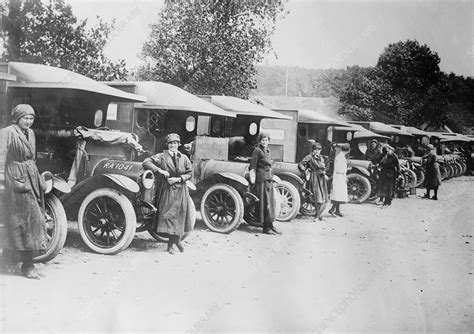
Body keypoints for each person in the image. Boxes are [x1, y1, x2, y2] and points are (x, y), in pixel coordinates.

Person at [1, 104, 48, 279]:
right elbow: (1, 156)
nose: (28, 122)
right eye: (25, 118)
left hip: (31, 177)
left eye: (31, 118)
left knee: (34, 220)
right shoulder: (7, 132)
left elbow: (32, 158)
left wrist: (38, 178)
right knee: (19, 221)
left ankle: (24, 262)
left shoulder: (31, 134)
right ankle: (25, 265)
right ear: (17, 118)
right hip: (15, 179)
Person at [142, 133, 194, 254]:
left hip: (181, 190)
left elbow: (190, 173)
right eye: (171, 143)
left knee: (179, 217)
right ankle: (175, 242)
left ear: (178, 145)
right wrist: (159, 170)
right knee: (169, 217)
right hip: (167, 191)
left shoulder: (184, 158)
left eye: (175, 143)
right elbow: (146, 162)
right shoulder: (161, 156)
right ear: (167, 144)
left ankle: (173, 243)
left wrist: (179, 179)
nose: (173, 145)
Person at [249, 133, 281, 235]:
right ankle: (265, 228)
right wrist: (253, 179)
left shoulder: (268, 150)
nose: (264, 142)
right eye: (262, 140)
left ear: (269, 141)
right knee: (264, 203)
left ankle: (271, 225)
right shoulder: (257, 151)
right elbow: (252, 166)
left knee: (270, 203)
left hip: (269, 179)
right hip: (261, 180)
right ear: (260, 141)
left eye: (266, 140)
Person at [298, 142, 329, 221]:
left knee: (323, 197)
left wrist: (324, 172)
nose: (317, 151)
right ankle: (317, 216)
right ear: (313, 150)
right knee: (317, 197)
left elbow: (323, 167)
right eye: (315, 149)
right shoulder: (309, 157)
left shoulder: (321, 158)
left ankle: (319, 215)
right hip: (314, 178)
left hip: (322, 179)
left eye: (319, 149)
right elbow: (301, 164)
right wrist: (305, 170)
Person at [328, 143, 350, 217]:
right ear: (348, 151)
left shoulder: (341, 156)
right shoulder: (340, 157)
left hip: (341, 177)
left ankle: (337, 210)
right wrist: (346, 169)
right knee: (338, 194)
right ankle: (331, 210)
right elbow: (338, 169)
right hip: (339, 177)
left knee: (340, 194)